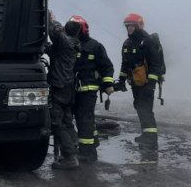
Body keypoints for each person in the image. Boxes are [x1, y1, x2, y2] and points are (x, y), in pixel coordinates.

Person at [69, 15, 115, 163]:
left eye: (76, 29)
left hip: (88, 90)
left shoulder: (95, 46)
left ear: (82, 29)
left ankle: (88, 152)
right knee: (84, 118)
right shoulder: (70, 44)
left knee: (84, 119)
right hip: (74, 89)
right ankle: (92, 143)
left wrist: (108, 84)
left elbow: (107, 66)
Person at [115, 13, 161, 154]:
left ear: (138, 26)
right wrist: (121, 81)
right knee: (139, 107)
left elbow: (155, 64)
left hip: (146, 83)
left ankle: (151, 139)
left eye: (131, 26)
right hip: (135, 83)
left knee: (146, 109)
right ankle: (146, 135)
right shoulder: (127, 43)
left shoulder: (147, 42)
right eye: (127, 26)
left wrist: (151, 84)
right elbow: (125, 64)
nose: (129, 29)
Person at [45, 12, 82, 170]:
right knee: (67, 122)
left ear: (66, 30)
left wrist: (49, 14)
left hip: (59, 87)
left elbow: (54, 30)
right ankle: (74, 151)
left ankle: (70, 157)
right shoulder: (73, 43)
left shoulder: (65, 42)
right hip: (68, 88)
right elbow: (53, 50)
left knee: (57, 123)